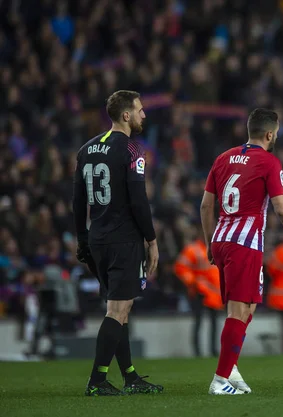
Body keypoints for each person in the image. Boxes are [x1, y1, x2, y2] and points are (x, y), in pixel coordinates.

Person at [201, 108, 283, 395]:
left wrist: (209, 241)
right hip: (244, 243)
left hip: (222, 239)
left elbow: (205, 206)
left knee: (244, 307)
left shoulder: (223, 158)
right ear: (270, 133)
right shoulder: (269, 162)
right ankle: (220, 380)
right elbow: (281, 208)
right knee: (239, 310)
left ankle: (231, 367)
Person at [73, 90, 163, 396]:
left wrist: (82, 238)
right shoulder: (133, 151)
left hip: (97, 239)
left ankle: (131, 377)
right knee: (117, 311)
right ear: (126, 115)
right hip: (123, 239)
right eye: (139, 110)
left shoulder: (86, 149)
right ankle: (97, 381)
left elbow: (77, 200)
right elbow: (139, 200)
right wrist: (151, 240)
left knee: (119, 309)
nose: (143, 115)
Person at [174, 233, 223, 357]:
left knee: (213, 323)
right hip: (199, 292)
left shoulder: (218, 248)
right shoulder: (193, 249)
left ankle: (213, 350)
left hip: (214, 294)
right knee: (199, 321)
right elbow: (180, 268)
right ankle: (198, 352)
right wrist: (193, 282)